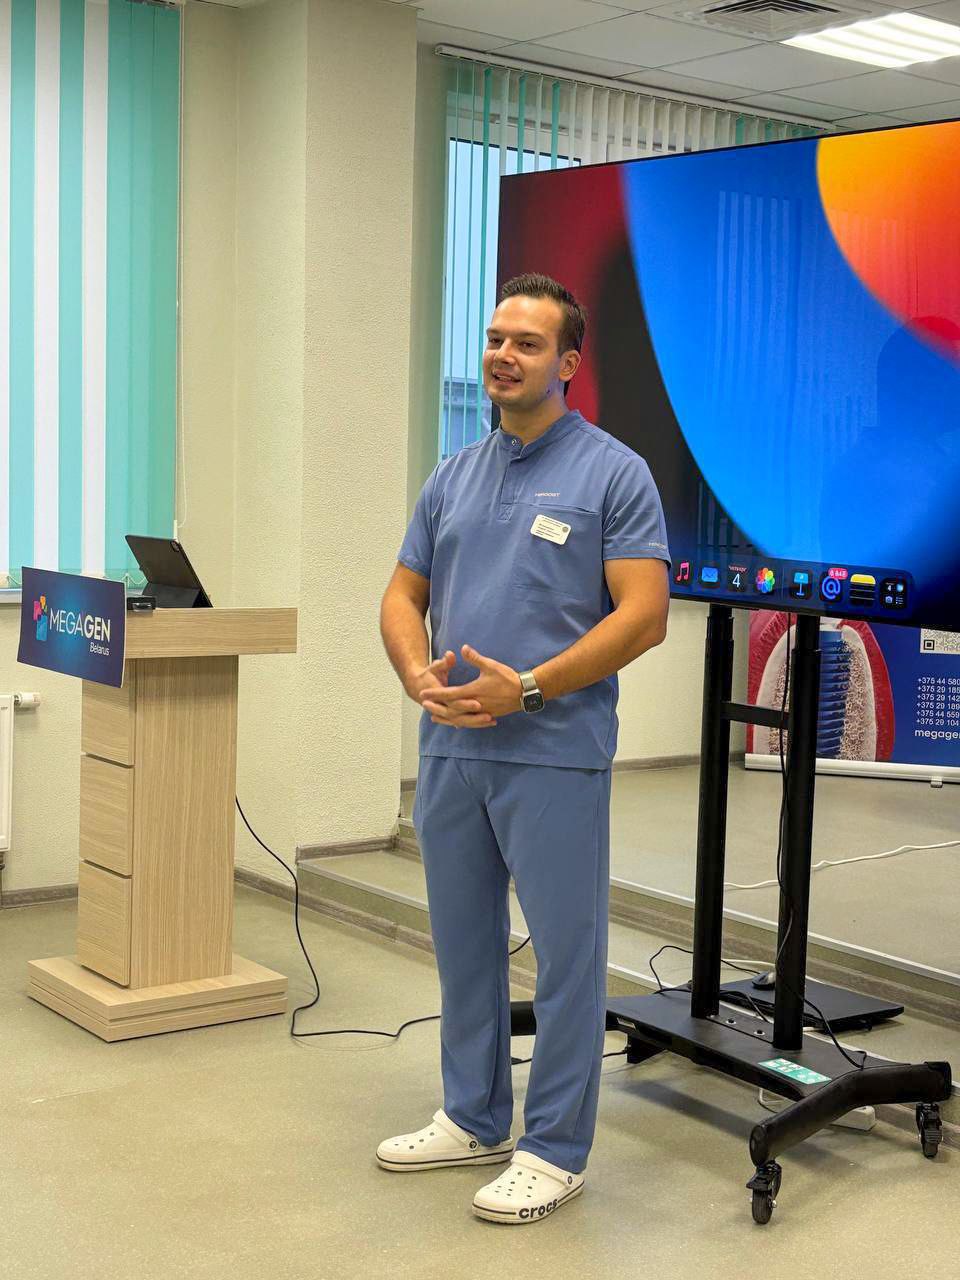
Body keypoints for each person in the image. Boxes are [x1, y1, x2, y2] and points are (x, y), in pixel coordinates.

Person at [378, 273, 670, 1224]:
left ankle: (554, 1149)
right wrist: (415, 672)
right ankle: (473, 1117)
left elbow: (645, 614)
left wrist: (533, 686)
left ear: (568, 362)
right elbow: (403, 594)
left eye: (528, 343)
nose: (503, 355)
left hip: (554, 750)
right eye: (496, 338)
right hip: (452, 748)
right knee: (465, 948)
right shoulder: (452, 475)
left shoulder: (614, 474)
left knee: (567, 960)